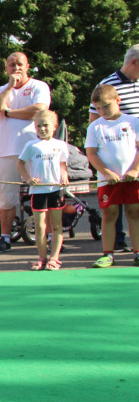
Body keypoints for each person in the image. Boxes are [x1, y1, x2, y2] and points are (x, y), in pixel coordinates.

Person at [0, 52, 51, 253]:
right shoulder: (0, 90)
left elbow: (39, 110)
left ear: (27, 66)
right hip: (7, 151)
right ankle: (5, 238)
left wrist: (10, 113)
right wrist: (9, 88)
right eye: (12, 65)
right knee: (7, 197)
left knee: (44, 191)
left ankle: (48, 236)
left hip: (35, 149)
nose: (16, 68)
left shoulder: (38, 86)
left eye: (20, 64)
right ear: (6, 69)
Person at [89, 44, 139, 252]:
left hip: (134, 159)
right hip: (112, 163)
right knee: (112, 211)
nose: (104, 111)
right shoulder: (107, 85)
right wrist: (104, 170)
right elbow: (94, 121)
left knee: (135, 210)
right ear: (134, 63)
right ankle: (114, 245)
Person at [85, 85, 139, 268]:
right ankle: (108, 254)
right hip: (107, 181)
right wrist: (107, 173)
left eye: (106, 106)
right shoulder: (95, 127)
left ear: (118, 101)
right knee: (109, 214)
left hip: (133, 179)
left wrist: (135, 170)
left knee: (134, 213)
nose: (102, 111)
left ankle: (137, 252)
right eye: (98, 108)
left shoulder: (133, 121)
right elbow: (91, 153)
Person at [18, 110, 69, 270]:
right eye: (38, 126)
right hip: (38, 192)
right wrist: (28, 179)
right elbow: (20, 163)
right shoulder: (31, 145)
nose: (42, 129)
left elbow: (63, 165)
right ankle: (42, 257)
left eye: (45, 125)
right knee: (40, 227)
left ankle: (54, 258)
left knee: (56, 226)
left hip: (55, 190)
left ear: (54, 126)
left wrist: (64, 176)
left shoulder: (60, 145)